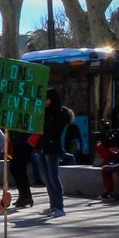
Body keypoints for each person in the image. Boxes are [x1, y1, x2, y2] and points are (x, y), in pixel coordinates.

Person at [38, 89, 72, 218]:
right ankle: (53, 205)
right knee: (47, 179)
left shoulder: (60, 114)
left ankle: (59, 207)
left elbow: (54, 131)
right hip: (43, 147)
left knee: (53, 178)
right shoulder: (45, 112)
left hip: (52, 149)